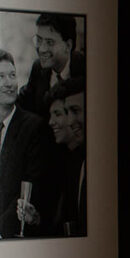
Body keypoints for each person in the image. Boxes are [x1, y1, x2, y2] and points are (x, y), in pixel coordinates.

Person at [0, 49, 53, 239]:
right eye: (0, 77)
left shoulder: (34, 127)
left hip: (19, 236)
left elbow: (30, 188)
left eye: (12, 75)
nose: (10, 83)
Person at [17, 77, 86, 236]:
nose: (51, 122)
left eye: (58, 114)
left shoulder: (82, 162)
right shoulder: (66, 164)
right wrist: (36, 219)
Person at [16, 12, 85, 116]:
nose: (42, 49)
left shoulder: (85, 67)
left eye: (50, 42)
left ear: (68, 45)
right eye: (39, 40)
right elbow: (23, 103)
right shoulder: (38, 68)